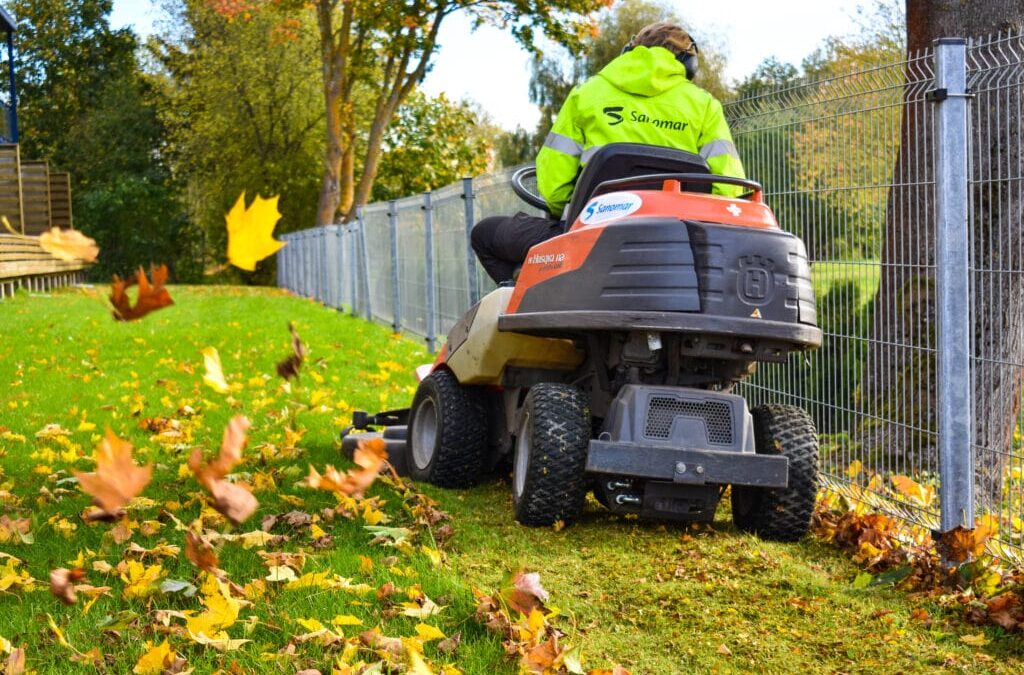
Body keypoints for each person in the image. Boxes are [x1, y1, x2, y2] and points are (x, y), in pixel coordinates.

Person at [471, 21, 747, 284]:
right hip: (679, 245)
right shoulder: (704, 105)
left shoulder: (587, 95)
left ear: (629, 51)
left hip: (590, 236)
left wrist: (565, 213)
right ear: (688, 66)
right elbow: (729, 190)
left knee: (485, 235)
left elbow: (554, 187)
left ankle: (537, 299)